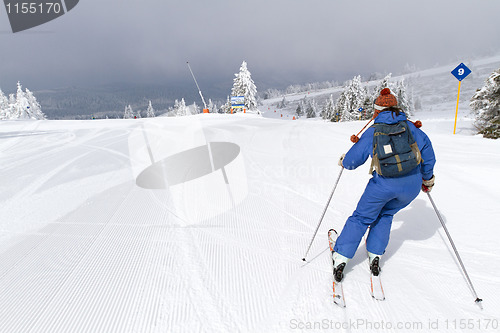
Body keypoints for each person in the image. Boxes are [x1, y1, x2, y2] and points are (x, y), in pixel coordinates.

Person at [332, 88, 436, 282]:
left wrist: (344, 161)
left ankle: (341, 256)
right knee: (386, 213)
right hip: (411, 186)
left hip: (384, 185)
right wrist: (427, 178)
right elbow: (428, 154)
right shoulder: (411, 128)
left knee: (362, 217)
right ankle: (376, 253)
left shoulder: (374, 131)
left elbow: (353, 162)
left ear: (377, 111)